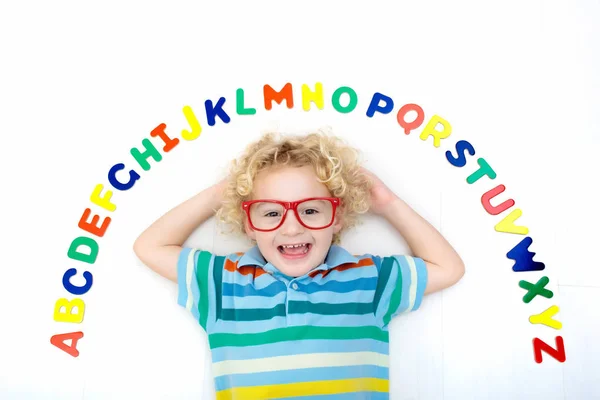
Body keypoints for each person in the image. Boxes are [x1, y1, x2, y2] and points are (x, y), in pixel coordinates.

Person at [133, 129, 465, 399]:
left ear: (336, 217)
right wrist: (221, 193)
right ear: (249, 223)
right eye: (271, 212)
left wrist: (389, 204)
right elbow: (149, 246)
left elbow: (448, 268)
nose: (292, 227)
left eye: (310, 210)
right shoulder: (225, 284)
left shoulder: (367, 280)